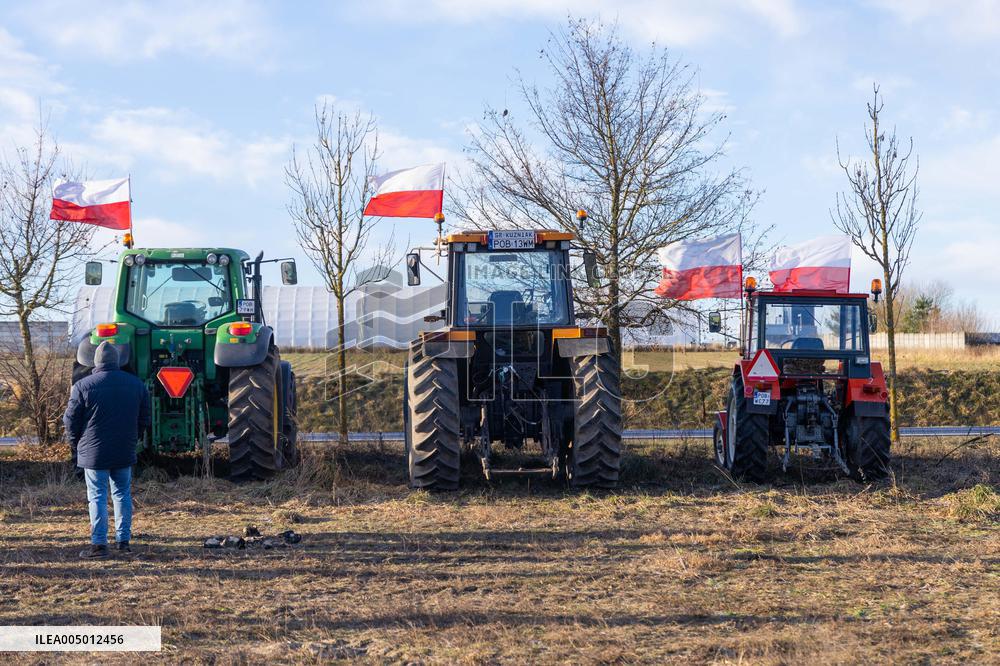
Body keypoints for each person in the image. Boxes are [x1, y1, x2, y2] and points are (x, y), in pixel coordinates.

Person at [64, 341, 151, 559]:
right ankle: (123, 542)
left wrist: (76, 445)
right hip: (124, 450)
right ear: (118, 361)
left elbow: (70, 421)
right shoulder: (136, 384)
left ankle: (99, 545)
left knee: (97, 497)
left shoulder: (83, 386)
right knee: (122, 495)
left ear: (96, 361)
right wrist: (134, 438)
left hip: (93, 454)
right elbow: (145, 418)